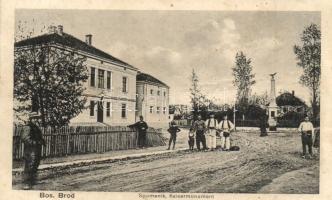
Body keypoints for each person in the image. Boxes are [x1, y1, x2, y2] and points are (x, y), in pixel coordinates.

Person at [21, 112, 45, 190]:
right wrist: (36, 143)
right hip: (30, 150)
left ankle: (33, 181)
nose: (36, 120)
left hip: (36, 149)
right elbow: (25, 139)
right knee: (29, 165)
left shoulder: (35, 127)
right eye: (34, 118)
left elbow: (38, 137)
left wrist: (42, 141)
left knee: (35, 164)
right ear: (31, 119)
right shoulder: (27, 127)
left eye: (37, 118)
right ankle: (27, 183)